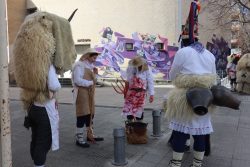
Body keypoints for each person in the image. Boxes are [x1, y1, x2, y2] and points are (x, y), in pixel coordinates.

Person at [13, 11, 77, 167]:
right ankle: (39, 165)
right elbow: (54, 85)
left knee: (35, 139)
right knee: (44, 140)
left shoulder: (29, 64)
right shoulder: (45, 64)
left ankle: (36, 163)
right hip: (44, 107)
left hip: (31, 106)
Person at [166, 37, 216, 167]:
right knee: (200, 133)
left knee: (180, 132)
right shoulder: (210, 55)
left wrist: (176, 81)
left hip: (184, 97)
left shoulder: (183, 52)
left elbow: (173, 73)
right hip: (204, 97)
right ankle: (197, 164)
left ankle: (176, 163)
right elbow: (214, 78)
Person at [72, 48, 104, 148]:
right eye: (94, 57)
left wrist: (95, 75)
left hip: (89, 93)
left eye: (96, 58)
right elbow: (77, 80)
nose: (95, 59)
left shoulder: (90, 66)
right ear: (88, 56)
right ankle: (79, 139)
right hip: (81, 93)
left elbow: (94, 80)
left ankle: (90, 135)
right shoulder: (79, 65)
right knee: (82, 114)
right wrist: (90, 83)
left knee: (90, 114)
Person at [122, 56, 154, 121]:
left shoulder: (147, 69)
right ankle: (129, 127)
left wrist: (151, 94)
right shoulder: (130, 67)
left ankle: (138, 127)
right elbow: (128, 79)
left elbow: (150, 81)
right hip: (131, 92)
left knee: (139, 111)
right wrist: (126, 91)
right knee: (129, 111)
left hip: (141, 93)